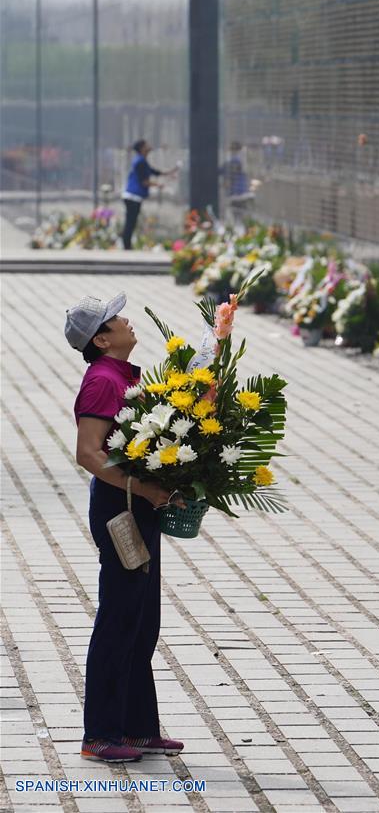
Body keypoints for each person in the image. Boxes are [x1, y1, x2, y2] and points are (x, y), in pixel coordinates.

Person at [65, 292, 185, 764]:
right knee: (119, 618)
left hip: (139, 504)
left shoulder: (120, 375)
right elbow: (89, 454)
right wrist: (147, 489)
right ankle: (100, 734)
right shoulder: (101, 381)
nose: (127, 321)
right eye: (115, 320)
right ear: (101, 338)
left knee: (142, 618)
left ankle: (137, 728)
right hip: (122, 508)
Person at [121, 140, 177, 250]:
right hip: (133, 196)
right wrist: (158, 185)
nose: (149, 146)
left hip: (134, 196)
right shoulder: (140, 162)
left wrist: (170, 173)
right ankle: (126, 245)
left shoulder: (142, 161)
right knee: (130, 221)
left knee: (131, 221)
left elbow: (154, 172)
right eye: (146, 145)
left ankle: (127, 244)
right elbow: (144, 181)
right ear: (142, 148)